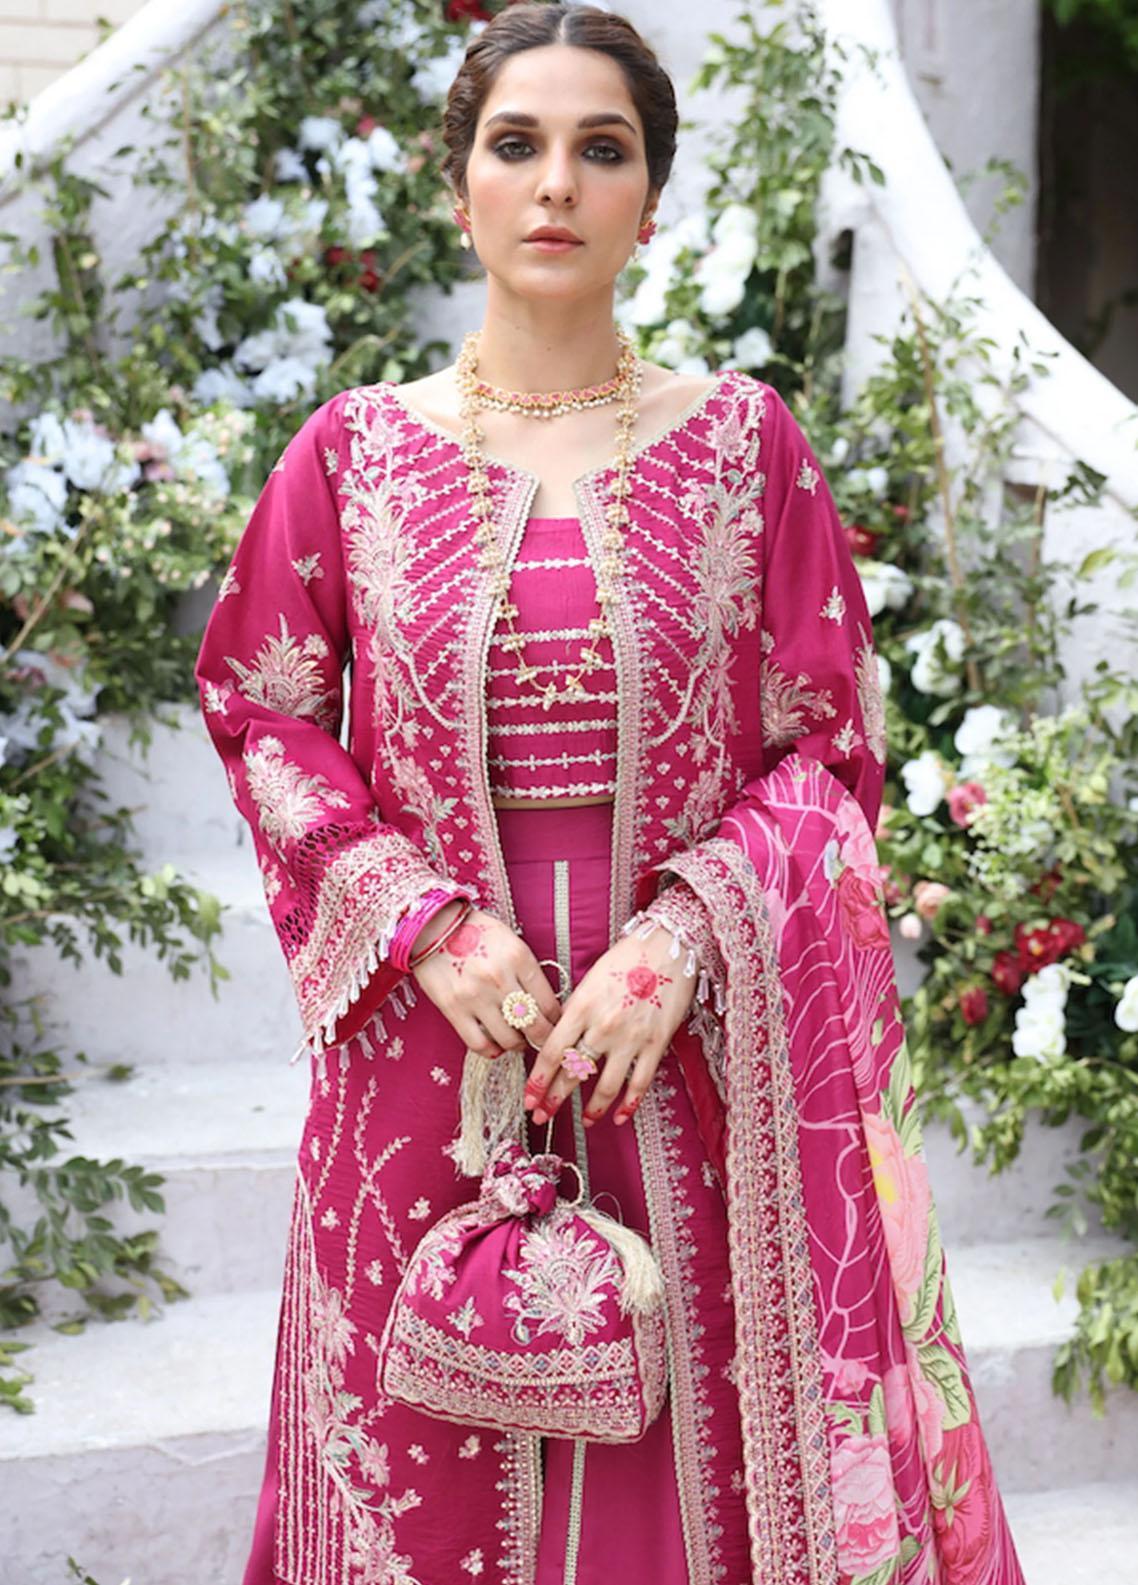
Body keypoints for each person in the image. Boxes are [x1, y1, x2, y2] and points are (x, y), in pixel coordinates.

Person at [194, 4, 1029, 1582]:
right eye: (516, 145)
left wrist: (682, 940)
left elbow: (825, 744)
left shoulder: (743, 445)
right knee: (431, 1481)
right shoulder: (350, 458)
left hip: (689, 1057)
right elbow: (261, 709)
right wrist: (421, 923)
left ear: (650, 197)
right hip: (438, 1050)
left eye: (603, 149)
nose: (556, 184)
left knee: (701, 1469)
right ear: (458, 184)